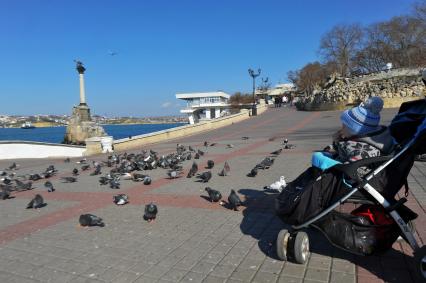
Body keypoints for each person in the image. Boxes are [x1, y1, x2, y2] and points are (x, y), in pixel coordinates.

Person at [312, 96, 395, 174]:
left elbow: (353, 169)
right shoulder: (364, 140)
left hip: (350, 177)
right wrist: (336, 142)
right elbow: (346, 148)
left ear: (355, 130)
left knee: (318, 158)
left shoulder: (362, 150)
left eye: (344, 126)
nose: (341, 128)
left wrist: (331, 162)